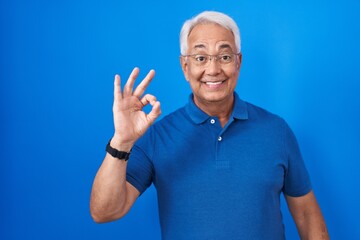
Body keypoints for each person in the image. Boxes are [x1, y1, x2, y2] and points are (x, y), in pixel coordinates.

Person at [90, 11, 329, 239]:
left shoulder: (277, 131)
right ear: (185, 66)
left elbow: (308, 216)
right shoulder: (157, 137)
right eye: (200, 58)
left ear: (238, 62)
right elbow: (104, 212)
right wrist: (121, 141)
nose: (213, 70)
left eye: (224, 57)